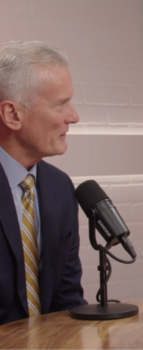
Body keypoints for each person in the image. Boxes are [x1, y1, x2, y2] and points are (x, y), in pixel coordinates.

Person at [0, 40, 86, 325]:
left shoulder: (60, 187)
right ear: (12, 114)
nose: (74, 116)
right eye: (61, 104)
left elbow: (67, 298)